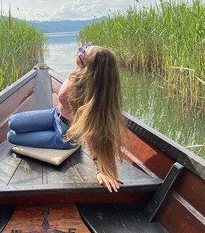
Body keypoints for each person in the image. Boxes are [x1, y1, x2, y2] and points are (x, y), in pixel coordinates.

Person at [7, 42, 124, 192]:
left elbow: (95, 133)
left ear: (90, 66)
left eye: (84, 50)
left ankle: (67, 144)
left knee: (11, 136)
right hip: (55, 115)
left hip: (64, 135)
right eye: (86, 46)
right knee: (13, 122)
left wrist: (101, 170)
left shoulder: (88, 94)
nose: (81, 49)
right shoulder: (80, 74)